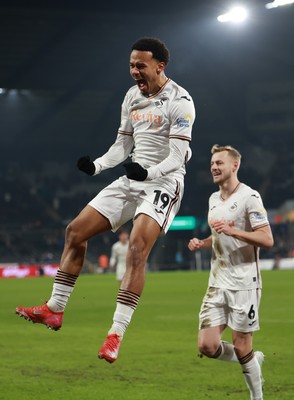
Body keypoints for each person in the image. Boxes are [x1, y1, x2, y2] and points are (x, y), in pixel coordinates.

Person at [16, 37, 196, 363]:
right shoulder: (131, 97)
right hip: (133, 178)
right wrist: (97, 166)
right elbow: (121, 146)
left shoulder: (180, 101)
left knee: (137, 249)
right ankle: (54, 309)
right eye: (131, 65)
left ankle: (115, 334)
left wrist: (148, 172)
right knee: (75, 231)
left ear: (160, 66)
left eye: (140, 65)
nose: (134, 71)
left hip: (164, 181)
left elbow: (178, 156)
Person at [188, 144, 273, 400]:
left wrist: (234, 230)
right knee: (206, 345)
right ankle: (249, 360)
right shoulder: (213, 199)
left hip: (244, 284)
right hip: (217, 282)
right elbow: (219, 234)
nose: (214, 167)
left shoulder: (250, 197)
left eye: (219, 163)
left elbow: (267, 239)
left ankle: (257, 397)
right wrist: (203, 243)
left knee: (241, 344)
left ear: (234, 165)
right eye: (212, 163)